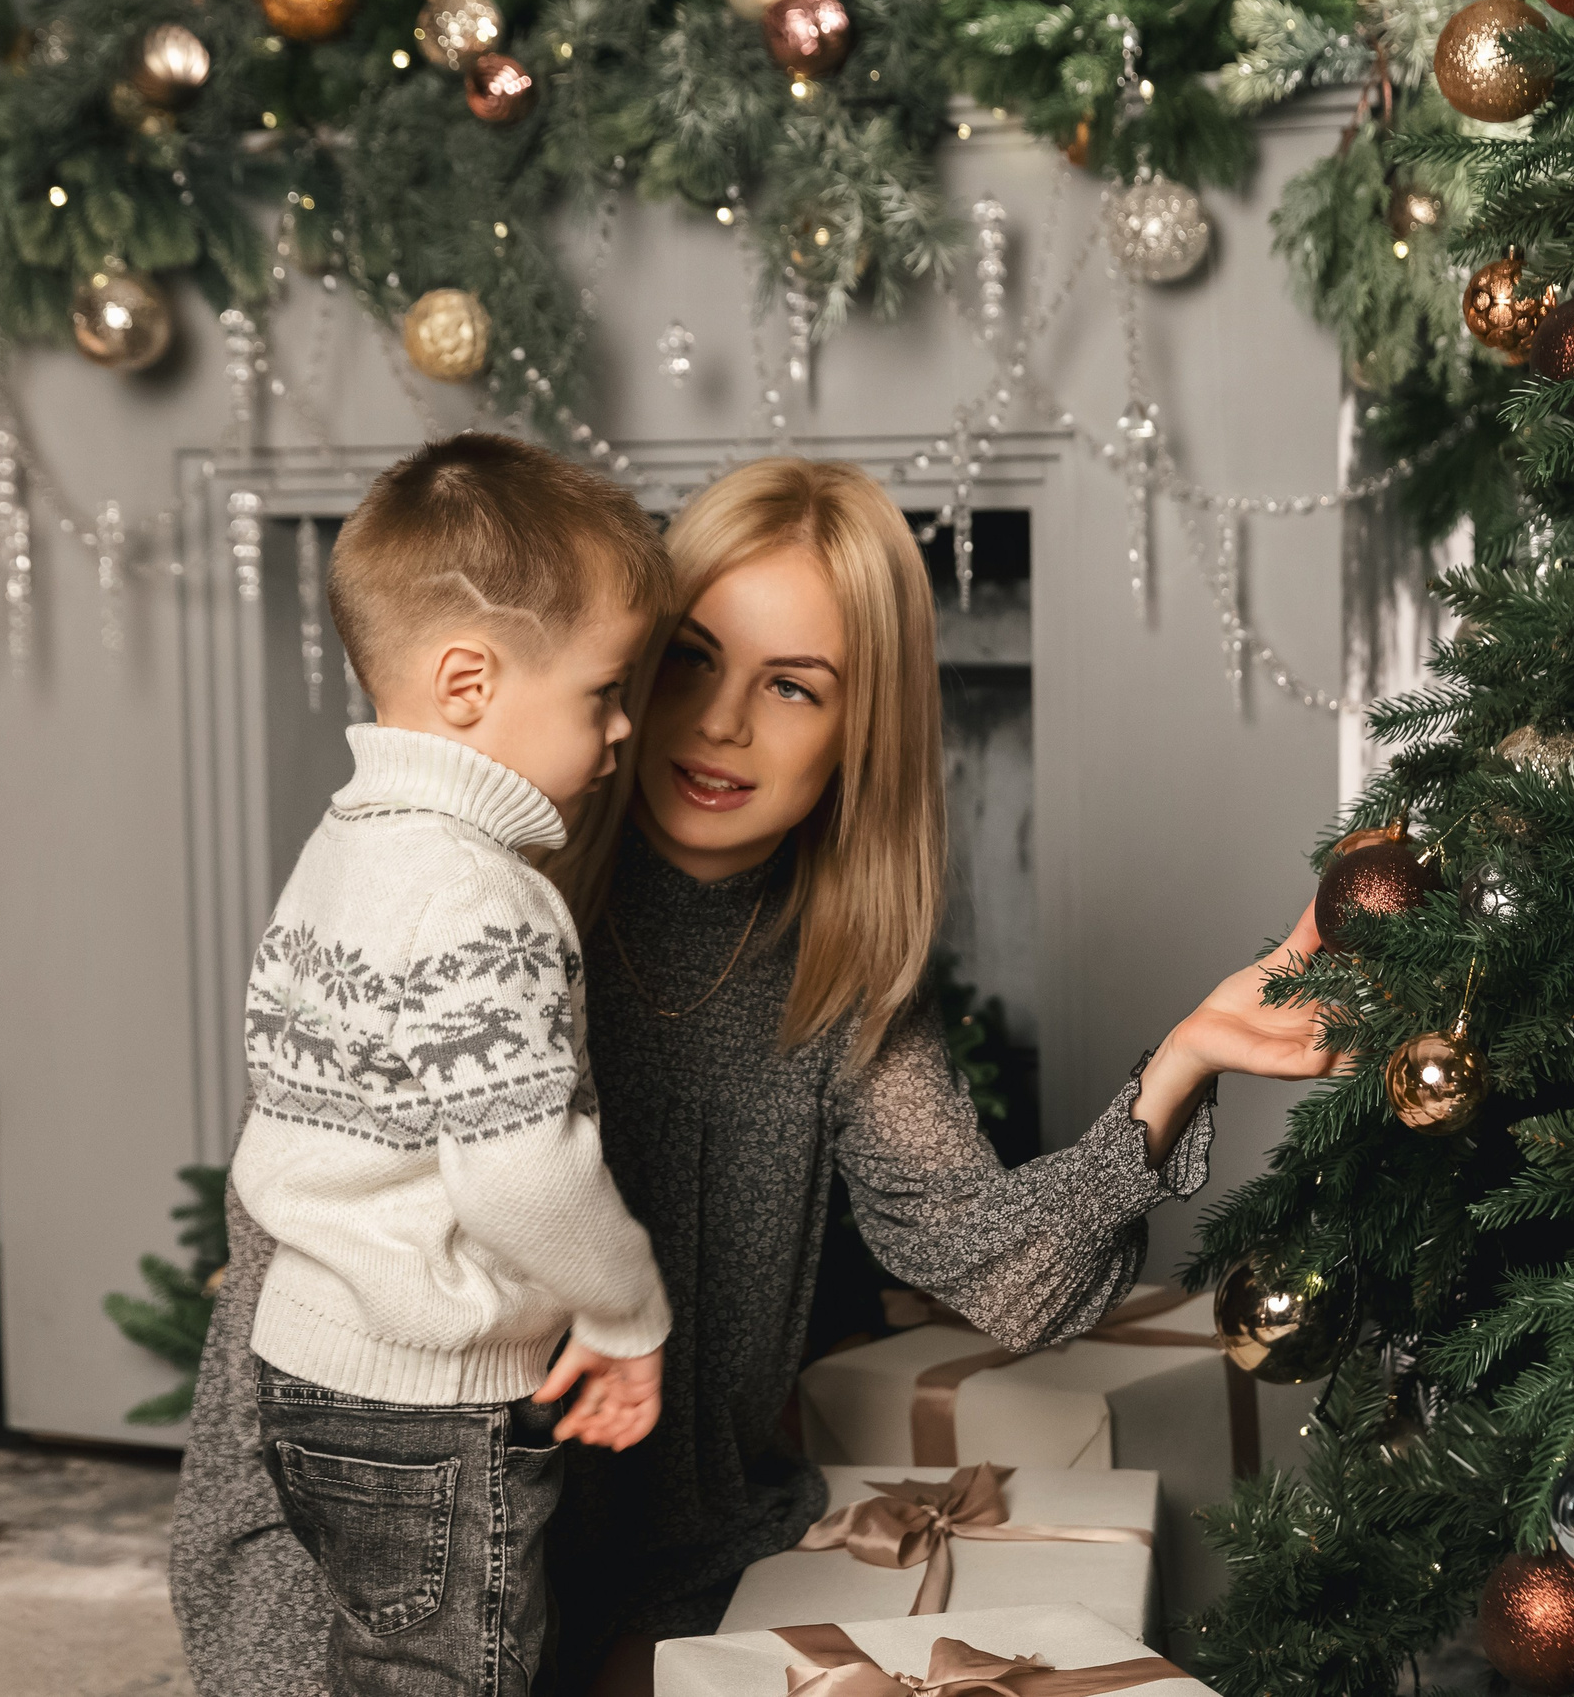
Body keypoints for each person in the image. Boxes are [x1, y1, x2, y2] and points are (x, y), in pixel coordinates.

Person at [171, 455, 1332, 1697]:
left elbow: (1008, 1277)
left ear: (857, 731)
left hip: (653, 1564)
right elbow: (295, 1266)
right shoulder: (476, 903)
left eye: (791, 687)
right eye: (686, 659)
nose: (722, 722)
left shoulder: (841, 980)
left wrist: (1184, 1062)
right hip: (363, 1534)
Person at [223, 433, 678, 1697]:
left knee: (379, 1658)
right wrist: (628, 1312)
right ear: (469, 682)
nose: (625, 726)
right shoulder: (484, 900)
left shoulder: (346, 843)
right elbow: (521, 1180)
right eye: (602, 691)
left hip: (303, 1368)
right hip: (428, 1403)